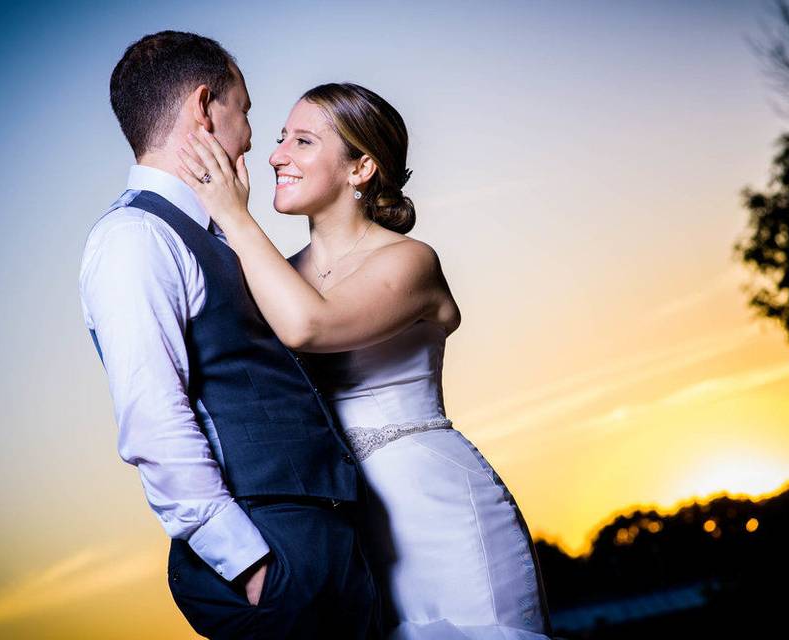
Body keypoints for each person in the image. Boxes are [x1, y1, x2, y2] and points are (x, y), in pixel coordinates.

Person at [177, 82, 554, 639]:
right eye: (281, 138)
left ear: (361, 168)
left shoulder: (411, 261)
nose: (277, 154)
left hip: (435, 511)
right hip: (339, 521)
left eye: (303, 141)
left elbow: (312, 325)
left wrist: (233, 217)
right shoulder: (275, 272)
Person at [79, 32, 379, 639]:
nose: (251, 139)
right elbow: (153, 420)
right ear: (203, 106)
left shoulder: (221, 235)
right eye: (244, 112)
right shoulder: (134, 237)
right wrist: (249, 563)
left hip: (326, 536)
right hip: (269, 547)